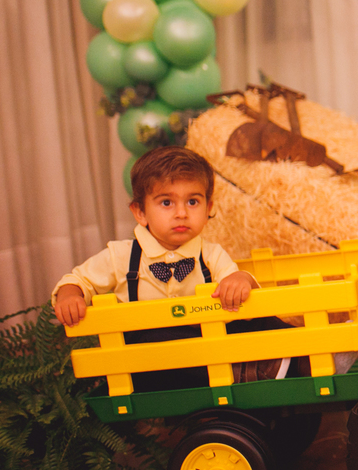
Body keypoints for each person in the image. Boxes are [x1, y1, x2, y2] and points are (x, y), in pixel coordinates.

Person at [53, 146, 277, 390]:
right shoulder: (121, 256)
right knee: (156, 336)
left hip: (205, 343)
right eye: (167, 202)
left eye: (192, 202)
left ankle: (297, 357)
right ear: (140, 212)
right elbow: (79, 279)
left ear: (208, 209)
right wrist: (70, 295)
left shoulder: (210, 254)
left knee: (263, 321)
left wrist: (240, 279)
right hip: (150, 363)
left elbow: (232, 278)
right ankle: (241, 371)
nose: (181, 213)